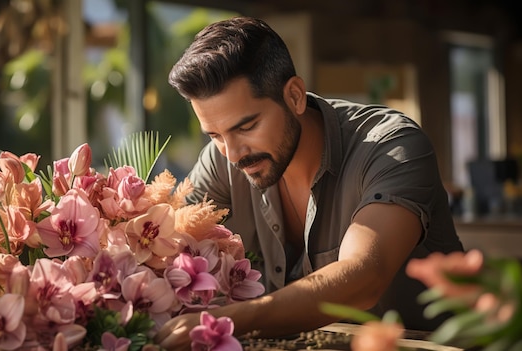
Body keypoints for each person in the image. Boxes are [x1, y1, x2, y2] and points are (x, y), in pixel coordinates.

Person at [155, 16, 464, 350]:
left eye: (246, 127)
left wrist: (225, 322)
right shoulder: (223, 161)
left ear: (295, 96)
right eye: (215, 135)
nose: (232, 154)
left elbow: (363, 276)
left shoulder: (392, 147)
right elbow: (167, 245)